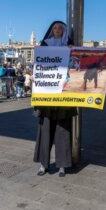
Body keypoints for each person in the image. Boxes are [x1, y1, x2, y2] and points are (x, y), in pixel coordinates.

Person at [33, 21, 77, 177]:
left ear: (64, 31)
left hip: (64, 94)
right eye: (55, 28)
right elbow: (39, 66)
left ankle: (62, 166)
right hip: (48, 93)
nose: (57, 30)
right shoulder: (45, 44)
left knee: (63, 129)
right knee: (45, 129)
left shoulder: (70, 46)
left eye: (60, 28)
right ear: (52, 31)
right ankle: (43, 164)